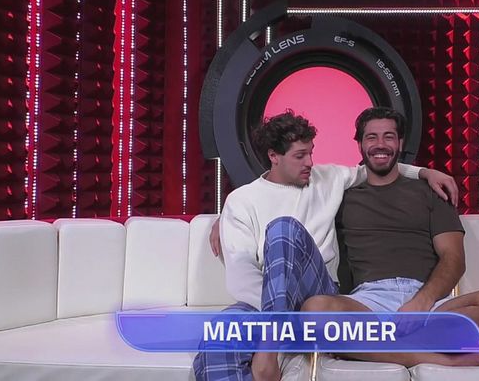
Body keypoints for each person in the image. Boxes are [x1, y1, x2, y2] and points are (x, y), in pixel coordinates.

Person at [193, 110, 459, 381]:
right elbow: (240, 279)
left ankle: (269, 350)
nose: (310, 162)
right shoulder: (241, 202)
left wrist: (424, 172)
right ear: (274, 156)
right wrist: (285, 316)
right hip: (266, 300)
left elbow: (378, 163)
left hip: (318, 293)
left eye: (311, 153)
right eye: (300, 156)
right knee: (218, 338)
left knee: (284, 229)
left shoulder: (328, 178)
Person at [301, 107, 479, 372]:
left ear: (400, 143)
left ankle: (377, 346)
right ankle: (448, 358)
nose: (380, 144)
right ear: (360, 145)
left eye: (388, 136)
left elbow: (454, 258)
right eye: (371, 137)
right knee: (315, 311)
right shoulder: (342, 196)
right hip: (369, 304)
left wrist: (421, 303)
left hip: (430, 305)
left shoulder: (432, 192)